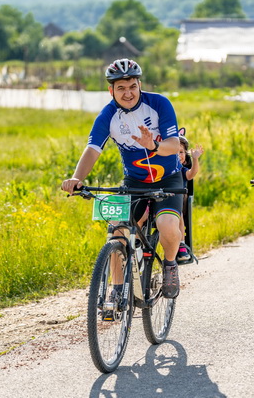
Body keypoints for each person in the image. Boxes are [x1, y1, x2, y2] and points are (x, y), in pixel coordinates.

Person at [61, 58, 182, 299]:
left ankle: (170, 265)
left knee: (167, 225)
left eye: (132, 86)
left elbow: (174, 145)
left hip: (168, 178)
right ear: (111, 91)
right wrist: (76, 178)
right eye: (121, 88)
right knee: (117, 229)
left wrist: (153, 145)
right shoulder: (108, 115)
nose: (128, 93)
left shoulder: (159, 103)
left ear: (140, 85)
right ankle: (117, 290)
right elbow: (92, 149)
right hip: (134, 181)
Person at [176, 131, 204, 262]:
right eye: (174, 152)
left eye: (181, 152)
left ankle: (181, 245)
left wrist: (195, 159)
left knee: (179, 215)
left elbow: (192, 174)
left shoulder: (181, 170)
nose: (178, 155)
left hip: (176, 204)